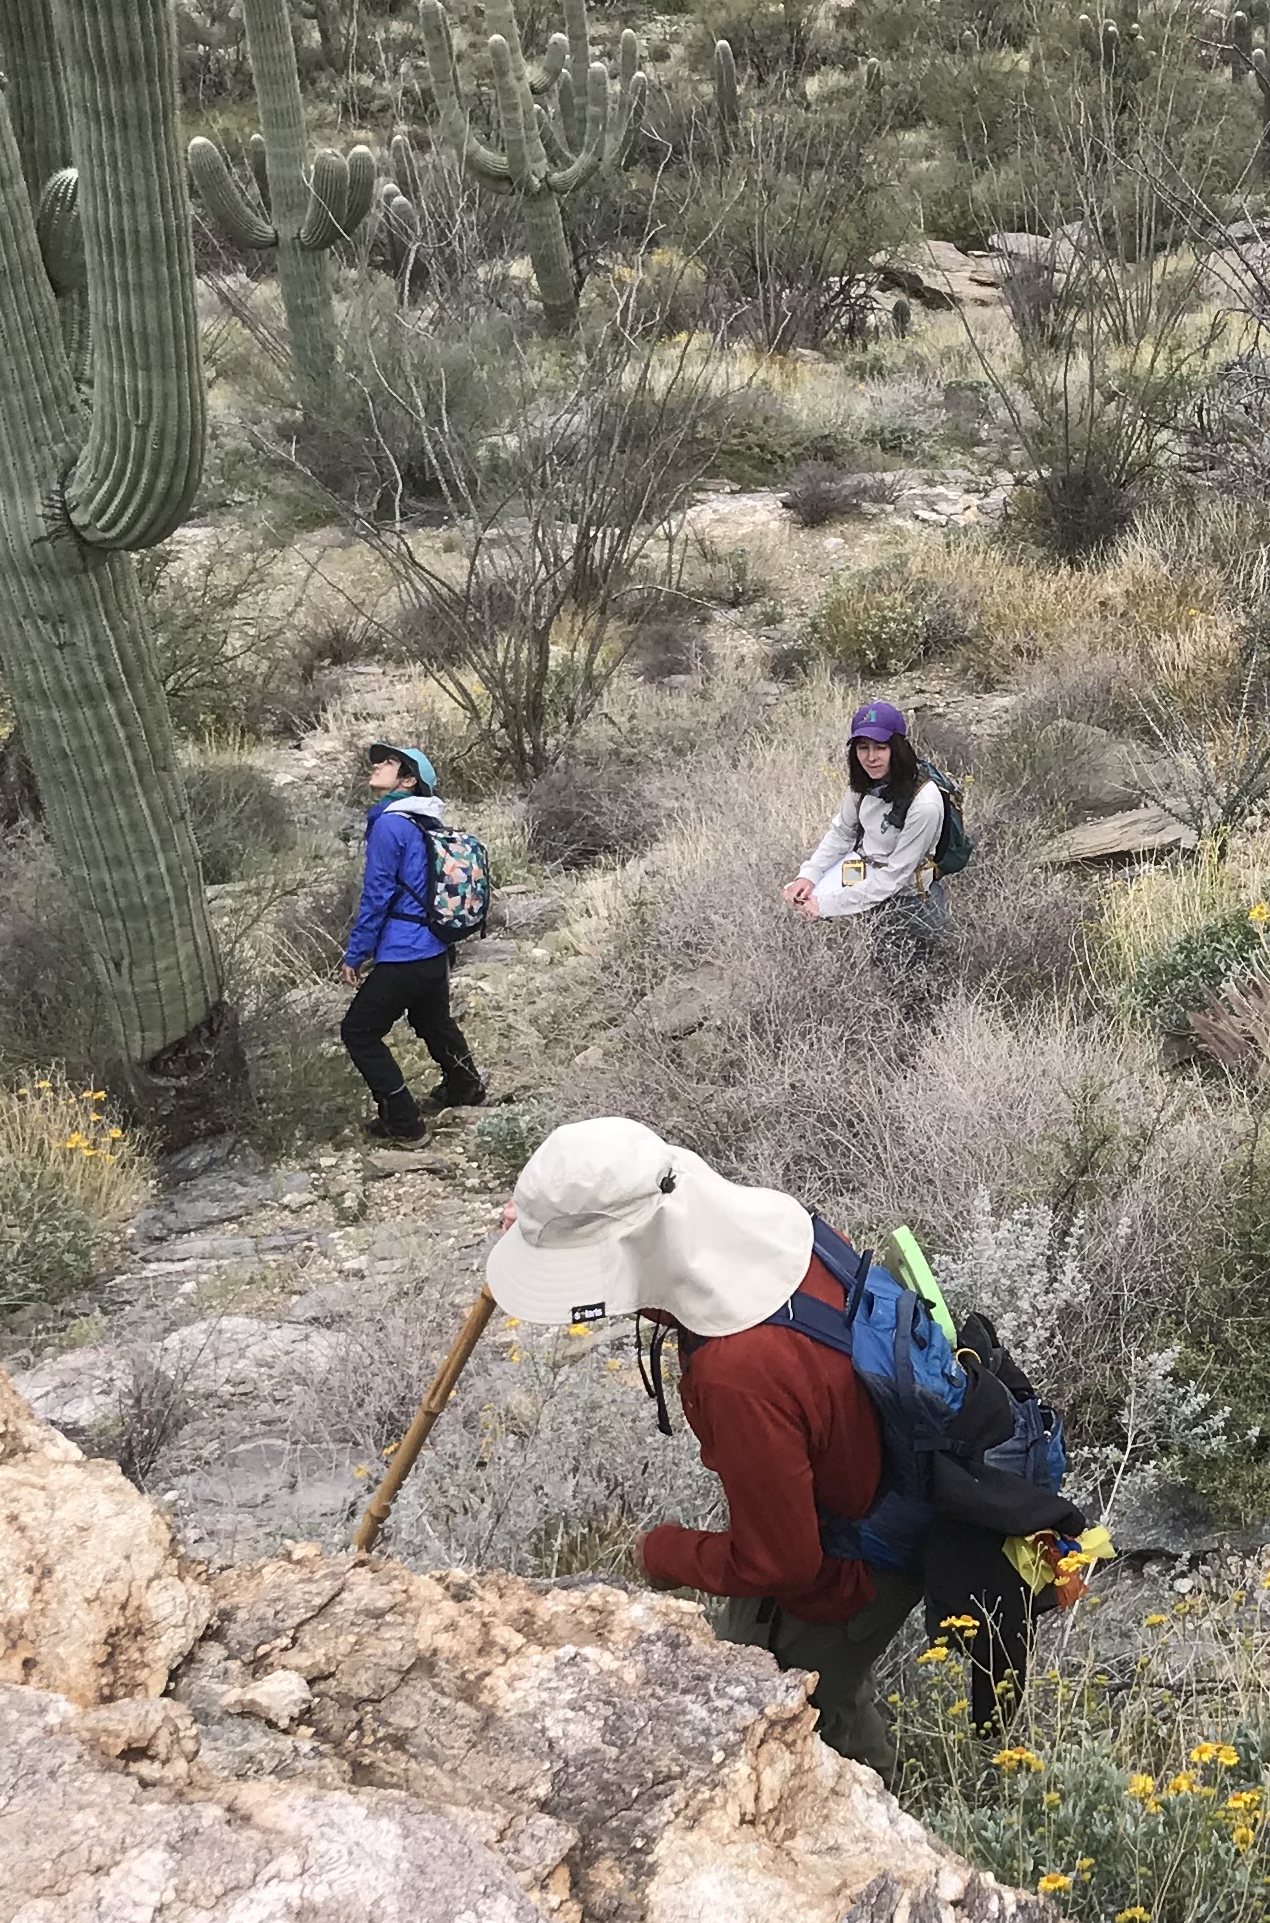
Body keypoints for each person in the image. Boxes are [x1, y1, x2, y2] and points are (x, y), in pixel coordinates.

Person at [480, 1116, 924, 1773]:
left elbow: (783, 1564)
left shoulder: (736, 1376)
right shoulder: (776, 1230)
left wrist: (664, 1553)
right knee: (818, 1681)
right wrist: (554, 1229)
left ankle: (872, 1800)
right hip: (871, 1493)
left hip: (846, 1568)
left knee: (793, 1708)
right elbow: (666, 1266)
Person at [340, 739, 484, 1146]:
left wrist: (356, 953)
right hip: (435, 948)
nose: (376, 766)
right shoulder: (425, 821)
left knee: (359, 1031)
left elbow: (377, 895)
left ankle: (404, 1121)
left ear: (407, 780)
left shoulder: (390, 824)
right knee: (432, 1020)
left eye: (388, 763)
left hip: (404, 951)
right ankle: (465, 1086)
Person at [786, 700, 947, 924]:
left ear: (897, 749)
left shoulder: (924, 804)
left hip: (909, 904)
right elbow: (842, 833)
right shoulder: (864, 784)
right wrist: (809, 875)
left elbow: (895, 876)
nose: (871, 758)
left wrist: (825, 905)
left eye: (881, 747)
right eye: (863, 747)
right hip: (865, 877)